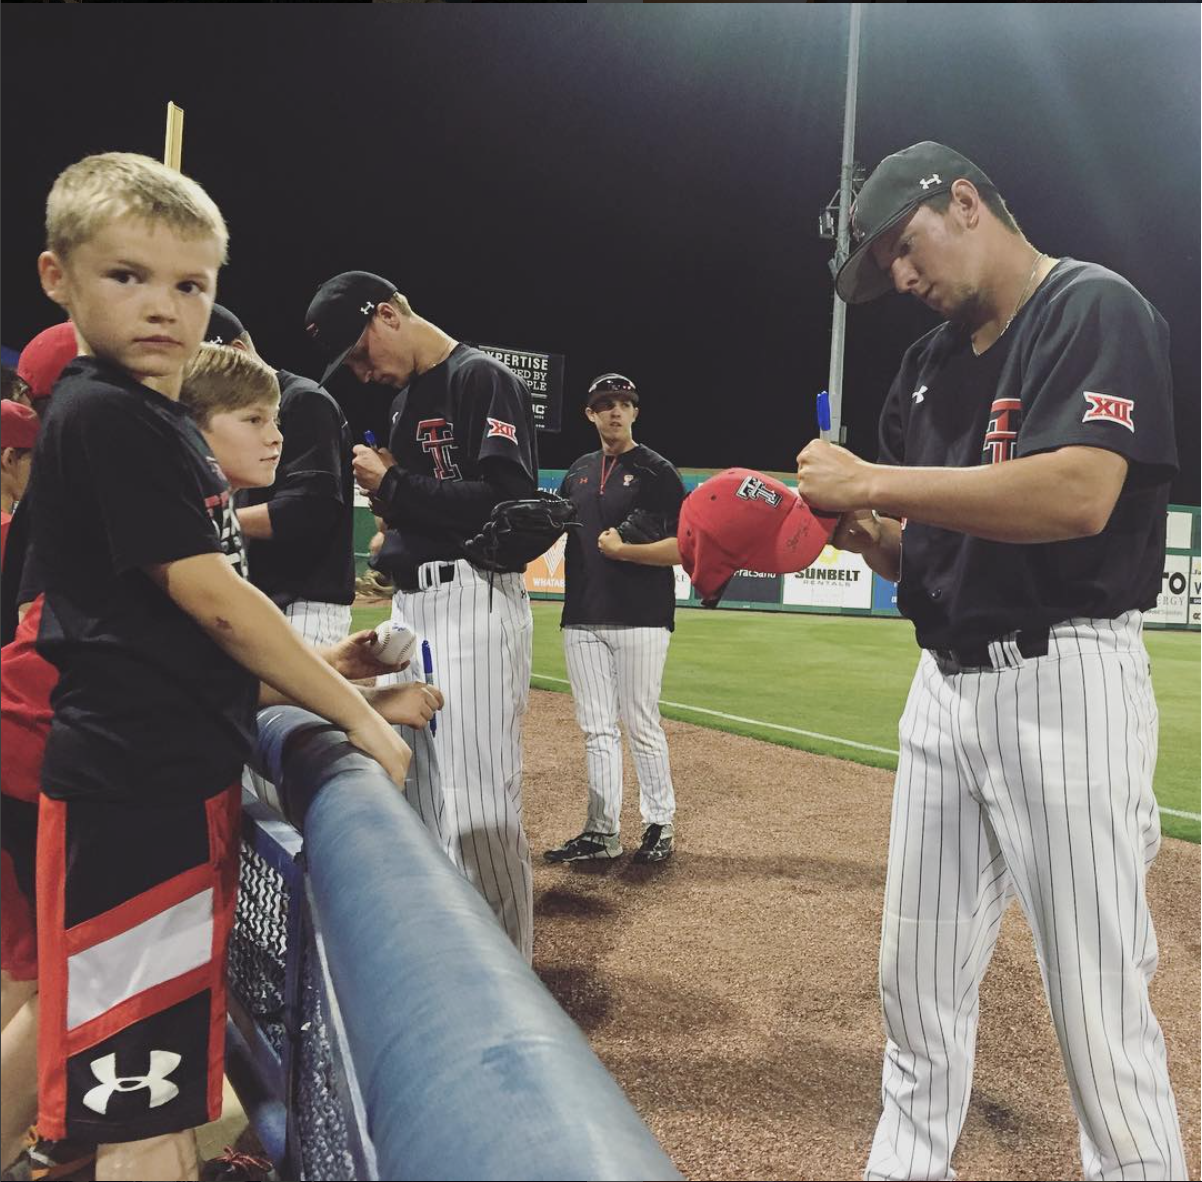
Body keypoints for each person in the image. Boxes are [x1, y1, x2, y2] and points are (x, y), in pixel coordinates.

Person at [796, 141, 1186, 1181]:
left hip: (1066, 685)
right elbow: (926, 547)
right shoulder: (926, 368)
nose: (900, 280)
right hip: (944, 694)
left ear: (962, 203)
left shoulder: (1090, 307)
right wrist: (865, 533)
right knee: (912, 990)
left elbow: (1075, 496)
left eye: (901, 250)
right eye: (884, 269)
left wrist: (872, 479)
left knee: (1097, 1013)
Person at [22, 152, 413, 1182]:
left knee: (139, 1079)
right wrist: (358, 718)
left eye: (190, 284)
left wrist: (335, 672)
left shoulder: (152, 417)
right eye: (127, 276)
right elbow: (214, 602)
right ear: (57, 278)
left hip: (155, 779)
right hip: (130, 793)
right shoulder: (105, 409)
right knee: (143, 1102)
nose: (163, 305)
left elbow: (182, 630)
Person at [305, 270, 539, 962]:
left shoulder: (480, 378)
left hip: (472, 598)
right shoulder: (408, 399)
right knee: (425, 804)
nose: (359, 370)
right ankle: (458, 968)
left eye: (358, 350)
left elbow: (509, 501)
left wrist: (395, 483)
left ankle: (510, 985)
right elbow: (428, 503)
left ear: (389, 314)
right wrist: (395, 516)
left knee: (476, 813)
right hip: (418, 606)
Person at [544, 373, 686, 865]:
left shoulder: (657, 471)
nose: (615, 411)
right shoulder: (577, 471)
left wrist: (628, 550)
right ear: (590, 414)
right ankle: (601, 831)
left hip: (641, 618)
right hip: (582, 616)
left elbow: (682, 549)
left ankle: (659, 823)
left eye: (624, 403)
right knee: (595, 728)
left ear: (635, 412)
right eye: (604, 404)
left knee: (641, 723)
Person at [204, 304, 356, 647]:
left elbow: (310, 510)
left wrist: (217, 523)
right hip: (256, 597)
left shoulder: (303, 400)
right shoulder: (219, 416)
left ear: (238, 352)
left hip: (301, 605)